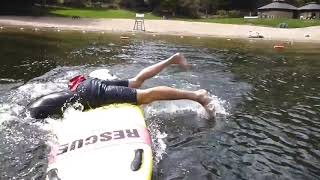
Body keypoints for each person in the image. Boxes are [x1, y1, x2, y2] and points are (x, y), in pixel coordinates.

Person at [28, 53, 211, 119]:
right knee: (137, 81)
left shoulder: (34, 114)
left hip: (91, 95)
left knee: (147, 95)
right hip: (87, 85)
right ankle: (172, 59)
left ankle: (197, 96)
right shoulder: (35, 105)